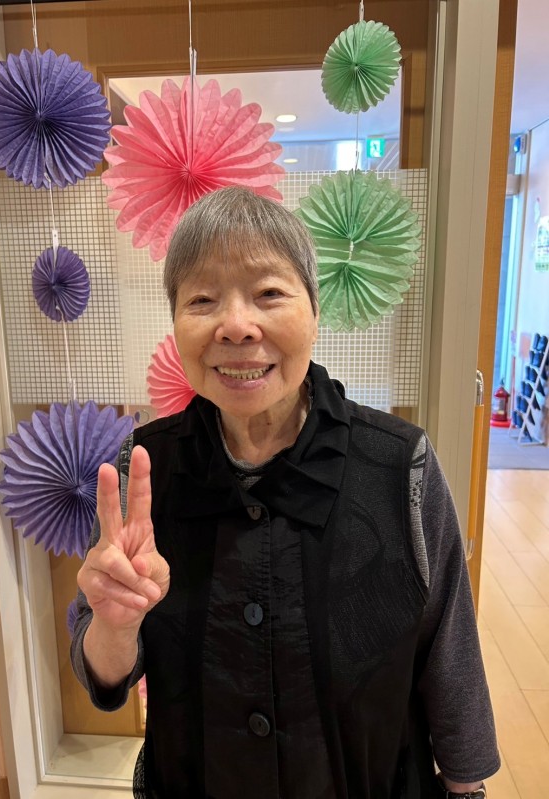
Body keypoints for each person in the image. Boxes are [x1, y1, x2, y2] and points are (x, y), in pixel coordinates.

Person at [72, 186, 500, 798]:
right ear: (176, 325)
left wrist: (466, 790)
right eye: (202, 300)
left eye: (269, 293)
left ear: (315, 312)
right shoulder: (142, 469)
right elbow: (106, 676)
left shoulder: (399, 464)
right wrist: (115, 626)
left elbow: (448, 649)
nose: (236, 326)